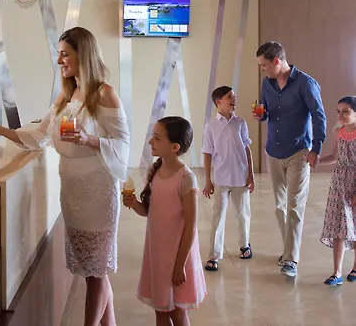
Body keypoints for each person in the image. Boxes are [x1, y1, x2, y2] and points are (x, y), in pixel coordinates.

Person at [0, 27, 130, 326]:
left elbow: (123, 142)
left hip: (98, 194)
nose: (59, 61)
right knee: (94, 271)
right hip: (72, 193)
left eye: (64, 54)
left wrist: (88, 140)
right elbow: (39, 136)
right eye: (59, 54)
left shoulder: (104, 93)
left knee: (96, 272)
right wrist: (0, 130)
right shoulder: (66, 96)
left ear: (83, 54)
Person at [123, 116, 206, 326]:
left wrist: (180, 266)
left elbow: (190, 227)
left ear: (174, 147)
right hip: (158, 254)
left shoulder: (186, 178)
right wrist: (134, 204)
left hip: (178, 256)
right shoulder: (155, 170)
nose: (151, 141)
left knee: (177, 313)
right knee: (160, 310)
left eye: (157, 138)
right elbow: (150, 211)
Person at [255, 41, 326, 278]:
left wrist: (316, 148)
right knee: (279, 206)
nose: (262, 69)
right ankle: (288, 250)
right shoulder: (267, 84)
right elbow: (266, 111)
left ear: (277, 61)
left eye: (264, 65)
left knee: (295, 206)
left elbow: (318, 116)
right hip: (273, 151)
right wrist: (261, 115)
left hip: (299, 152)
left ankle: (291, 259)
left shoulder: (306, 83)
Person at [202, 86, 254, 272]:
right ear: (219, 102)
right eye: (229, 96)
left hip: (241, 177)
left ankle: (244, 245)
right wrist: (208, 180)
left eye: (234, 96)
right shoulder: (211, 126)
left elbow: (247, 149)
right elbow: (207, 153)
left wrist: (251, 175)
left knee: (243, 213)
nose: (234, 99)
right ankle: (213, 255)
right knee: (218, 216)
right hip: (221, 179)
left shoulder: (240, 123)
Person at [319, 96, 356, 286]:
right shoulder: (338, 132)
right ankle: (337, 272)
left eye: (346, 111)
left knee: (355, 226)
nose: (341, 115)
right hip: (339, 184)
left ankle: (355, 267)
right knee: (338, 227)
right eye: (339, 111)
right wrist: (317, 161)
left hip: (354, 184)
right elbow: (335, 156)